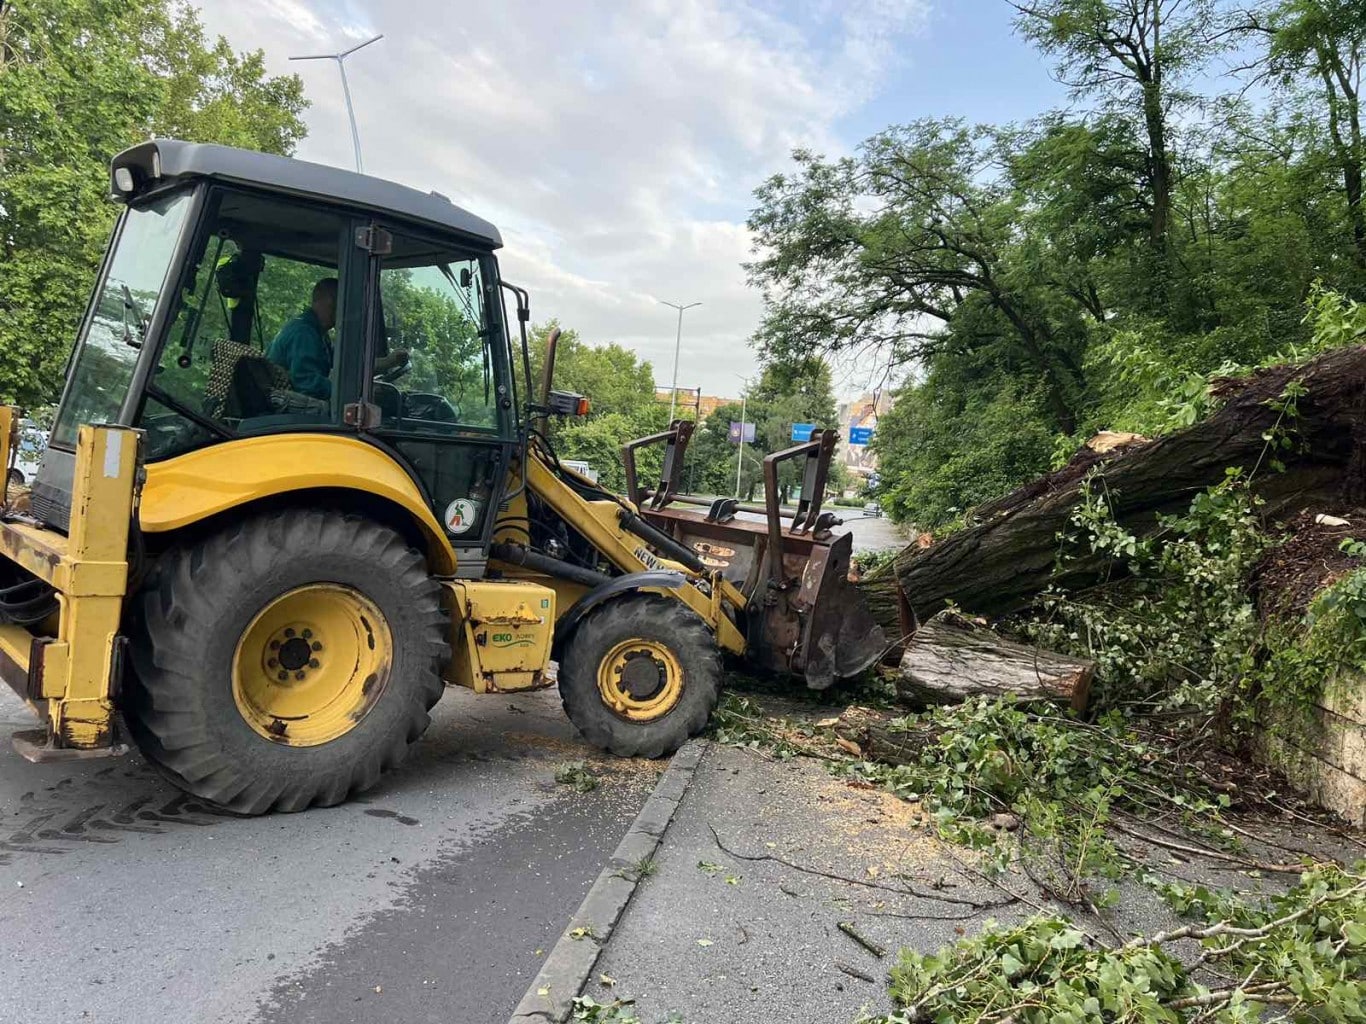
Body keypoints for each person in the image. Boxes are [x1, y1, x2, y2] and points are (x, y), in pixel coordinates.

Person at [267, 277, 408, 400]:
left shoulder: (319, 334)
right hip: (290, 412)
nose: (342, 310)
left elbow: (348, 364)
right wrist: (355, 392)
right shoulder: (303, 333)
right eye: (338, 302)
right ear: (324, 301)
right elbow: (307, 384)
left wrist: (388, 361)